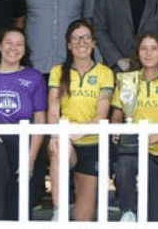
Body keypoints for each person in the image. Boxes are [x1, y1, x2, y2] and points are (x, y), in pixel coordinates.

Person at [0, 26, 47, 220]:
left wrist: (31, 157)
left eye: (19, 44)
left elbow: (40, 119)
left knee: (21, 192)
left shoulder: (34, 76)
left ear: (24, 49)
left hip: (24, 139)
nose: (13, 48)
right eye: (8, 43)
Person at [111, 32, 158, 222]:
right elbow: (118, 114)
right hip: (132, 151)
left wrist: (147, 138)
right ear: (137, 53)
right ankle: (128, 210)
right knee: (124, 163)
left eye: (154, 49)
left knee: (157, 218)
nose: (148, 53)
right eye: (143, 48)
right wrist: (117, 128)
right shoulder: (127, 80)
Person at [47, 19, 114, 222]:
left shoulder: (105, 72)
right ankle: (59, 210)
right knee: (61, 149)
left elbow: (101, 115)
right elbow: (53, 108)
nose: (81, 42)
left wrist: (75, 133)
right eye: (75, 38)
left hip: (92, 143)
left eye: (86, 37)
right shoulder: (58, 71)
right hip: (66, 141)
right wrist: (57, 135)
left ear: (93, 42)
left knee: (83, 217)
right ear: (68, 44)